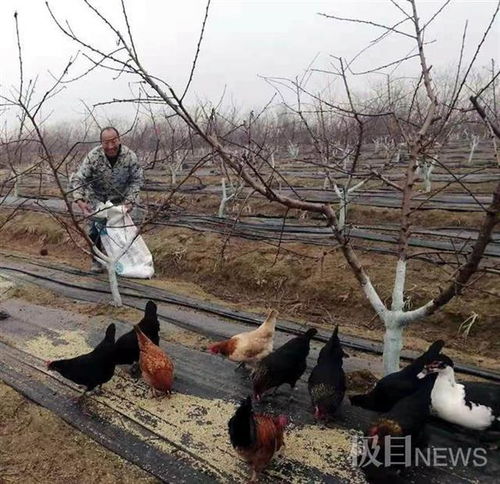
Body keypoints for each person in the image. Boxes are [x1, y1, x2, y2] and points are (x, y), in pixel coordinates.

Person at [71, 127, 144, 273]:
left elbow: (136, 181)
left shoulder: (129, 156)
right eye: (106, 142)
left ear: (119, 139)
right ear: (101, 142)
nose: (110, 146)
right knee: (94, 231)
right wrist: (79, 199)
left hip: (121, 199)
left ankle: (125, 263)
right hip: (97, 198)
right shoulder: (94, 157)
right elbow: (79, 179)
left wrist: (130, 201)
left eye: (113, 141)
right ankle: (97, 261)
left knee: (124, 232)